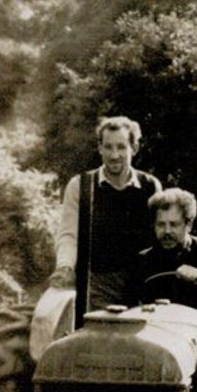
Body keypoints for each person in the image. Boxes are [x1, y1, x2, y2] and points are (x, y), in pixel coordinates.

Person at [49, 116, 161, 313]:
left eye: (121, 147)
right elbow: (69, 235)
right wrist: (65, 267)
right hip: (96, 285)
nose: (114, 155)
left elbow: (161, 235)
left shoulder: (150, 186)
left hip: (143, 284)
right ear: (100, 148)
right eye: (108, 147)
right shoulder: (81, 186)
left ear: (133, 148)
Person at [133, 188, 197, 311]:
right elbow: (131, 304)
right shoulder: (143, 260)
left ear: (188, 225)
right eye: (161, 224)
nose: (167, 231)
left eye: (174, 224)